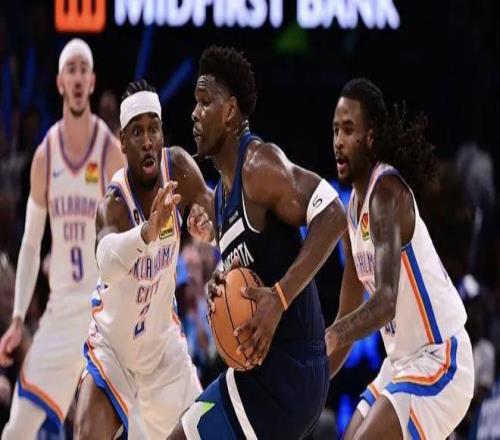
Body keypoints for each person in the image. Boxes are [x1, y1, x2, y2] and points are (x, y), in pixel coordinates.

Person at [169, 45, 346, 440]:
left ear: (230, 111)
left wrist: (279, 298)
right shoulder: (221, 196)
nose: (194, 113)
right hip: (265, 373)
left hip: (292, 372)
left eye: (205, 102)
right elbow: (253, 268)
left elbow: (334, 214)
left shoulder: (259, 165)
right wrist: (221, 284)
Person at [325, 78, 474, 439]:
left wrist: (331, 334)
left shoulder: (386, 194)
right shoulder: (352, 210)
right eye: (335, 130)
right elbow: (347, 317)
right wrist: (307, 384)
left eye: (349, 130)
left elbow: (384, 303)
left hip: (441, 358)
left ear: (371, 137)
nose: (338, 141)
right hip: (401, 363)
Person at [73, 79, 214, 439]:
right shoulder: (115, 203)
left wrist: (207, 230)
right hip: (114, 351)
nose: (148, 140)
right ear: (123, 141)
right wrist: (147, 232)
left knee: (209, 430)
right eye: (137, 132)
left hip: (163, 350)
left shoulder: (178, 168)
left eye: (154, 129)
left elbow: (217, 215)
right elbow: (106, 261)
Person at [0, 38, 124, 438]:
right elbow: (30, 243)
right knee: (17, 428)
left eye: (83, 70)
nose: (77, 78)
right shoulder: (46, 155)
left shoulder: (109, 151)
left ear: (92, 81)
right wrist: (18, 318)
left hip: (102, 311)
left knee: (127, 426)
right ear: (59, 82)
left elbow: (131, 236)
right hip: (60, 311)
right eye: (70, 70)